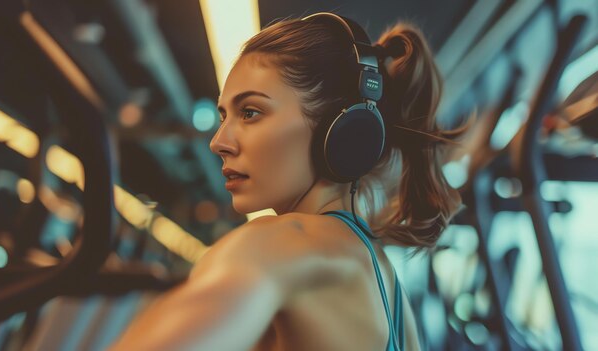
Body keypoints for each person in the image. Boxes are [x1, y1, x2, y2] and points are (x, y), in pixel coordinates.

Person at [110, 11, 461, 351]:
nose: (218, 142)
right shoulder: (390, 292)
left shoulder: (277, 243)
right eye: (223, 116)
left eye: (250, 112)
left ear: (342, 133)